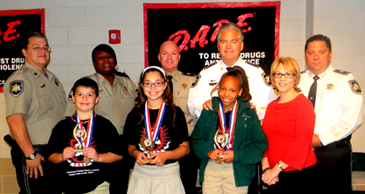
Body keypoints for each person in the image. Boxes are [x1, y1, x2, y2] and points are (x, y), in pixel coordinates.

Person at [64, 43, 137, 193]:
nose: (106, 60)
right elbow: (71, 118)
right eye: (100, 57)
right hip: (100, 148)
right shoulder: (86, 85)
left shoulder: (127, 83)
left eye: (109, 56)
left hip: (126, 144)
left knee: (123, 186)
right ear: (94, 63)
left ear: (115, 61)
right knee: (103, 186)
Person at [298, 34, 364, 194]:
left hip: (333, 154)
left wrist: (320, 139)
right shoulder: (297, 80)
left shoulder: (344, 80)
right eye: (310, 52)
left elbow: (353, 119)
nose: (315, 57)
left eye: (321, 52)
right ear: (305, 55)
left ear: (330, 54)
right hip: (300, 152)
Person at [3, 31, 66, 194]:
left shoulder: (52, 78)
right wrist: (30, 155)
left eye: (45, 48)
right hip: (35, 153)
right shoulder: (21, 79)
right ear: (24, 52)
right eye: (36, 47)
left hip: (54, 153)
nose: (42, 51)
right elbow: (15, 120)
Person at [191, 66, 268, 194]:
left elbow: (259, 145)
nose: (226, 94)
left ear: (239, 91)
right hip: (212, 168)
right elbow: (196, 139)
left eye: (232, 90)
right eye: (222, 89)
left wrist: (236, 155)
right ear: (218, 88)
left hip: (237, 170)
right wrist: (208, 151)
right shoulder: (209, 110)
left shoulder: (248, 113)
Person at [47, 77, 123, 193]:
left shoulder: (105, 125)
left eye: (89, 95)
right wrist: (61, 156)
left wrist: (98, 157)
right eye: (80, 94)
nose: (84, 98)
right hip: (68, 187)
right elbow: (50, 156)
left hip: (98, 188)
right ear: (73, 98)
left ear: (96, 99)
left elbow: (118, 155)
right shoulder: (61, 127)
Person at [188, 22, 276, 120]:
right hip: (214, 131)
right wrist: (205, 108)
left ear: (241, 45)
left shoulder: (256, 73)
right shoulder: (205, 74)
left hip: (247, 130)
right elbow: (192, 104)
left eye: (233, 42)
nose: (228, 46)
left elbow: (271, 105)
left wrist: (255, 111)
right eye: (224, 42)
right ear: (218, 46)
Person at [123, 66, 190, 194]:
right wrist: (136, 154)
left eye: (157, 83)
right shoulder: (135, 114)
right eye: (148, 83)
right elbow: (130, 146)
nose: (153, 88)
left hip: (168, 174)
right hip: (141, 174)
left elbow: (185, 148)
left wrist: (166, 155)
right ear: (142, 86)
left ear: (165, 85)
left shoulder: (175, 113)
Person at [261, 57, 317, 194]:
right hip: (275, 176)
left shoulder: (303, 105)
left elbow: (301, 144)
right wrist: (266, 168)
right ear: (273, 79)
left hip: (299, 175)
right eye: (278, 74)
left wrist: (275, 170)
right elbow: (266, 140)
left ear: (295, 78)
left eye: (288, 74)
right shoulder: (271, 106)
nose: (282, 78)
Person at [158, 40, 199, 193]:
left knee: (186, 186)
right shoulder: (150, 83)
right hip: (159, 145)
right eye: (165, 53)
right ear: (159, 57)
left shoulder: (193, 81)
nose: (169, 57)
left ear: (179, 57)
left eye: (173, 53)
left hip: (186, 145)